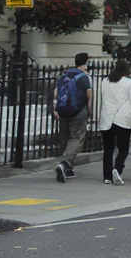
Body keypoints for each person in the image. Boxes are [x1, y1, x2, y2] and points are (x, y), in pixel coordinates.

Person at [53, 52, 94, 183]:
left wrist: (55, 108)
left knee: (65, 138)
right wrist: (90, 111)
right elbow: (89, 97)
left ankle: (68, 169)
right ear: (86, 63)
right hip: (78, 112)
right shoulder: (85, 77)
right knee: (76, 138)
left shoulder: (65, 75)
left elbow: (56, 92)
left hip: (63, 110)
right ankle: (64, 164)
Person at [97, 59, 131, 185]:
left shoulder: (105, 81)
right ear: (127, 70)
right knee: (123, 148)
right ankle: (118, 168)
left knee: (108, 149)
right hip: (122, 117)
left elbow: (102, 97)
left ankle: (107, 176)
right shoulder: (130, 82)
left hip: (107, 117)